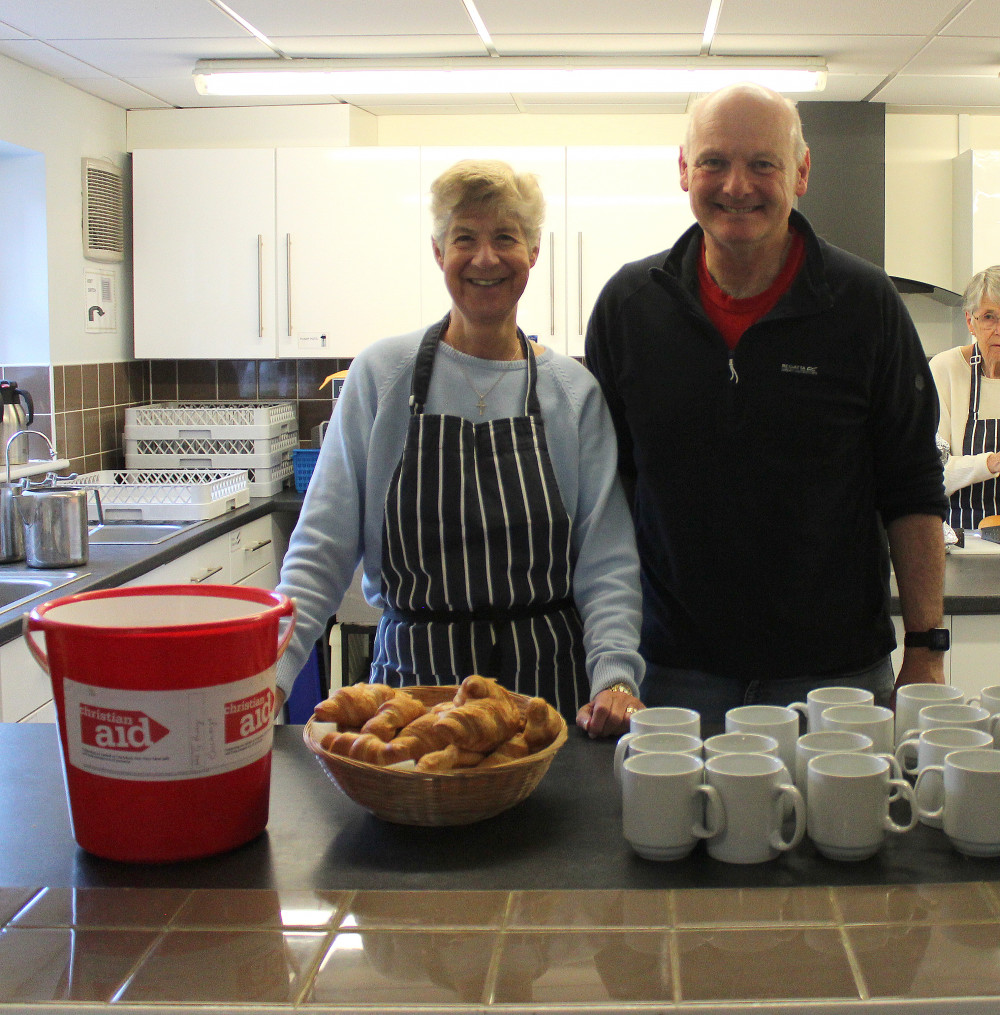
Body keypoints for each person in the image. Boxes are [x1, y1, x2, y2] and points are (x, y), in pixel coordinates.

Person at [585, 83, 948, 725]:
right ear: (683, 170)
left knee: (839, 831)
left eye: (763, 164)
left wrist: (925, 649)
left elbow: (912, 489)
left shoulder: (866, 307)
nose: (736, 186)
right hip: (670, 677)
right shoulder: (629, 308)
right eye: (714, 162)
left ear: (801, 172)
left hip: (836, 680)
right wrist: (609, 662)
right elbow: (605, 498)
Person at [275, 159, 644, 736]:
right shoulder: (381, 377)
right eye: (464, 238)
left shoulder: (573, 394)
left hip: (546, 698)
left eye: (505, 238)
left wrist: (616, 678)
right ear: (437, 251)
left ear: (533, 252)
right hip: (412, 698)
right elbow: (319, 548)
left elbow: (608, 561)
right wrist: (266, 678)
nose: (485, 258)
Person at [930, 266, 1000, 529]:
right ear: (970, 321)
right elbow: (932, 473)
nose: (998, 329)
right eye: (989, 317)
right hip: (963, 536)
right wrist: (990, 463)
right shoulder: (945, 369)